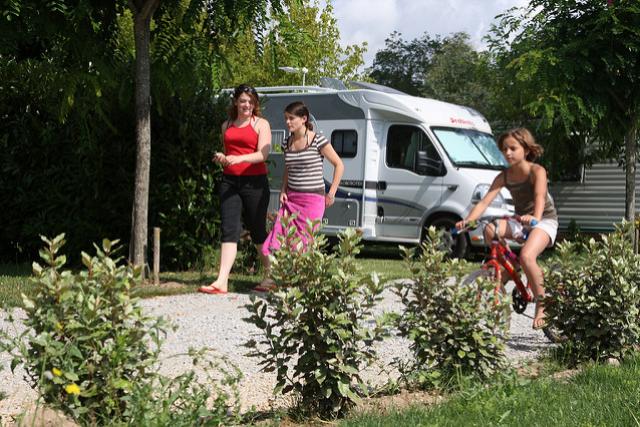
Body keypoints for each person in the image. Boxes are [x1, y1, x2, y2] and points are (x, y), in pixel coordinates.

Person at [455, 127, 558, 329]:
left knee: (528, 256)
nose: (507, 153)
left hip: (544, 220)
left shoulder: (537, 171)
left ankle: (542, 304)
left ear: (526, 150)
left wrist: (534, 218)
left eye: (512, 148)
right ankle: (513, 266)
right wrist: (468, 220)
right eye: (504, 149)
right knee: (490, 229)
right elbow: (484, 202)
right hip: (521, 221)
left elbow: (539, 197)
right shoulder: (504, 176)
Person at [198, 84, 272, 295]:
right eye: (242, 101)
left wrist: (237, 159)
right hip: (230, 182)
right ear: (235, 103)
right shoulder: (227, 125)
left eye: (250, 101)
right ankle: (222, 281)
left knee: (257, 229)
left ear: (255, 104)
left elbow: (262, 155)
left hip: (255, 183)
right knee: (229, 229)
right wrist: (223, 158)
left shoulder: (261, 124)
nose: (246, 105)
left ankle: (270, 276)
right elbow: (228, 154)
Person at [259, 102, 344, 279]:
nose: (287, 122)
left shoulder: (317, 140)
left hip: (313, 200)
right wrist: (283, 190)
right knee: (278, 238)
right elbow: (288, 169)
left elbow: (339, 165)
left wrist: (332, 193)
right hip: (292, 199)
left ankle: (302, 281)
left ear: (304, 119)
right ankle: (276, 279)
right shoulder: (286, 142)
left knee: (303, 243)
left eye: (291, 118)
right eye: (285, 119)